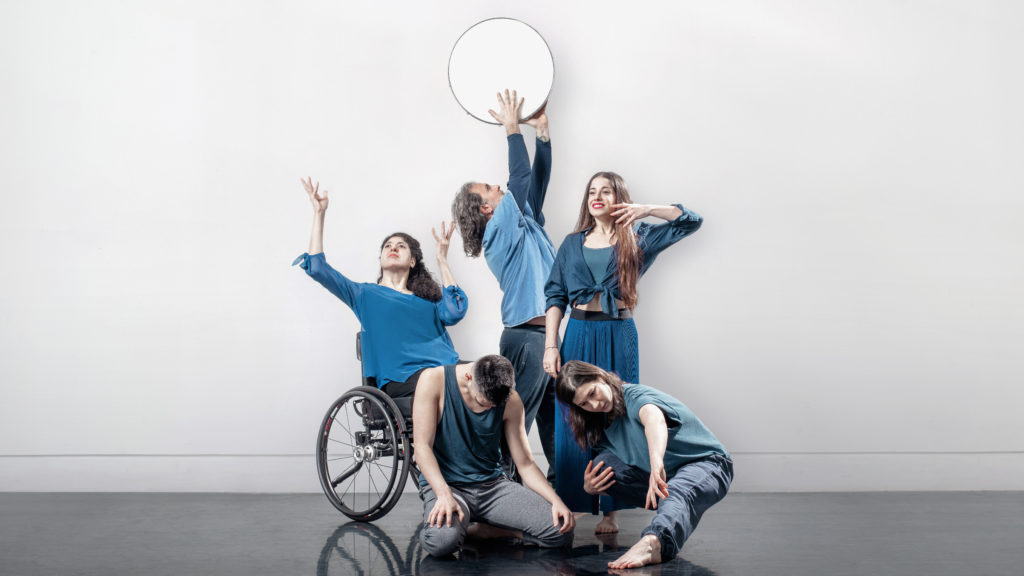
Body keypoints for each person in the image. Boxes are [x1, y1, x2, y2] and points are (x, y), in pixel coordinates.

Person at [543, 171, 704, 531]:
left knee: (618, 412)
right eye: (592, 192)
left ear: (620, 198)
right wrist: (551, 344)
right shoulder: (571, 243)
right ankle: (575, 501)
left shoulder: (639, 238)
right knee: (573, 413)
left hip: (619, 333)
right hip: (579, 333)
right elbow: (554, 294)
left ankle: (612, 510)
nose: (597, 197)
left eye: (607, 191)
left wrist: (646, 209)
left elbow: (691, 221)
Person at [451, 89, 557, 481]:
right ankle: (499, 497)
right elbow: (521, 176)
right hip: (527, 339)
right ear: (486, 209)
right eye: (489, 189)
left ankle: (552, 499)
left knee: (554, 428)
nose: (499, 187)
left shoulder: (521, 219)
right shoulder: (498, 231)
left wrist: (542, 132)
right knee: (518, 425)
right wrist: (512, 129)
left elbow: (537, 181)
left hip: (545, 338)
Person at [293, 176, 466, 397]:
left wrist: (442, 259)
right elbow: (317, 267)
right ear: (381, 258)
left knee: (493, 372)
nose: (393, 248)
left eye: (401, 246)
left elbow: (454, 311)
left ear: (412, 261)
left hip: (448, 371)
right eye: (388, 246)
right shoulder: (364, 295)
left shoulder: (427, 300)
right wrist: (319, 213)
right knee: (450, 379)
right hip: (404, 379)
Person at [555, 361, 732, 569]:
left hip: (709, 464)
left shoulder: (635, 396)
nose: (593, 405)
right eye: (584, 403)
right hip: (665, 480)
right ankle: (673, 506)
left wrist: (656, 463)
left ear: (600, 377)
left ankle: (654, 543)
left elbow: (654, 420)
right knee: (601, 467)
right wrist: (590, 488)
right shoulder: (601, 421)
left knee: (676, 491)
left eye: (593, 393)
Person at [413, 354, 575, 557]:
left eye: (493, 406)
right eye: (484, 403)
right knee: (442, 542)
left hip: (492, 487)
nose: (489, 409)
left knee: (561, 530)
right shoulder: (433, 380)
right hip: (448, 486)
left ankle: (489, 531)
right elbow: (421, 447)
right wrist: (444, 494)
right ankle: (456, 528)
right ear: (469, 377)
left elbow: (525, 464)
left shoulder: (511, 401)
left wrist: (555, 500)